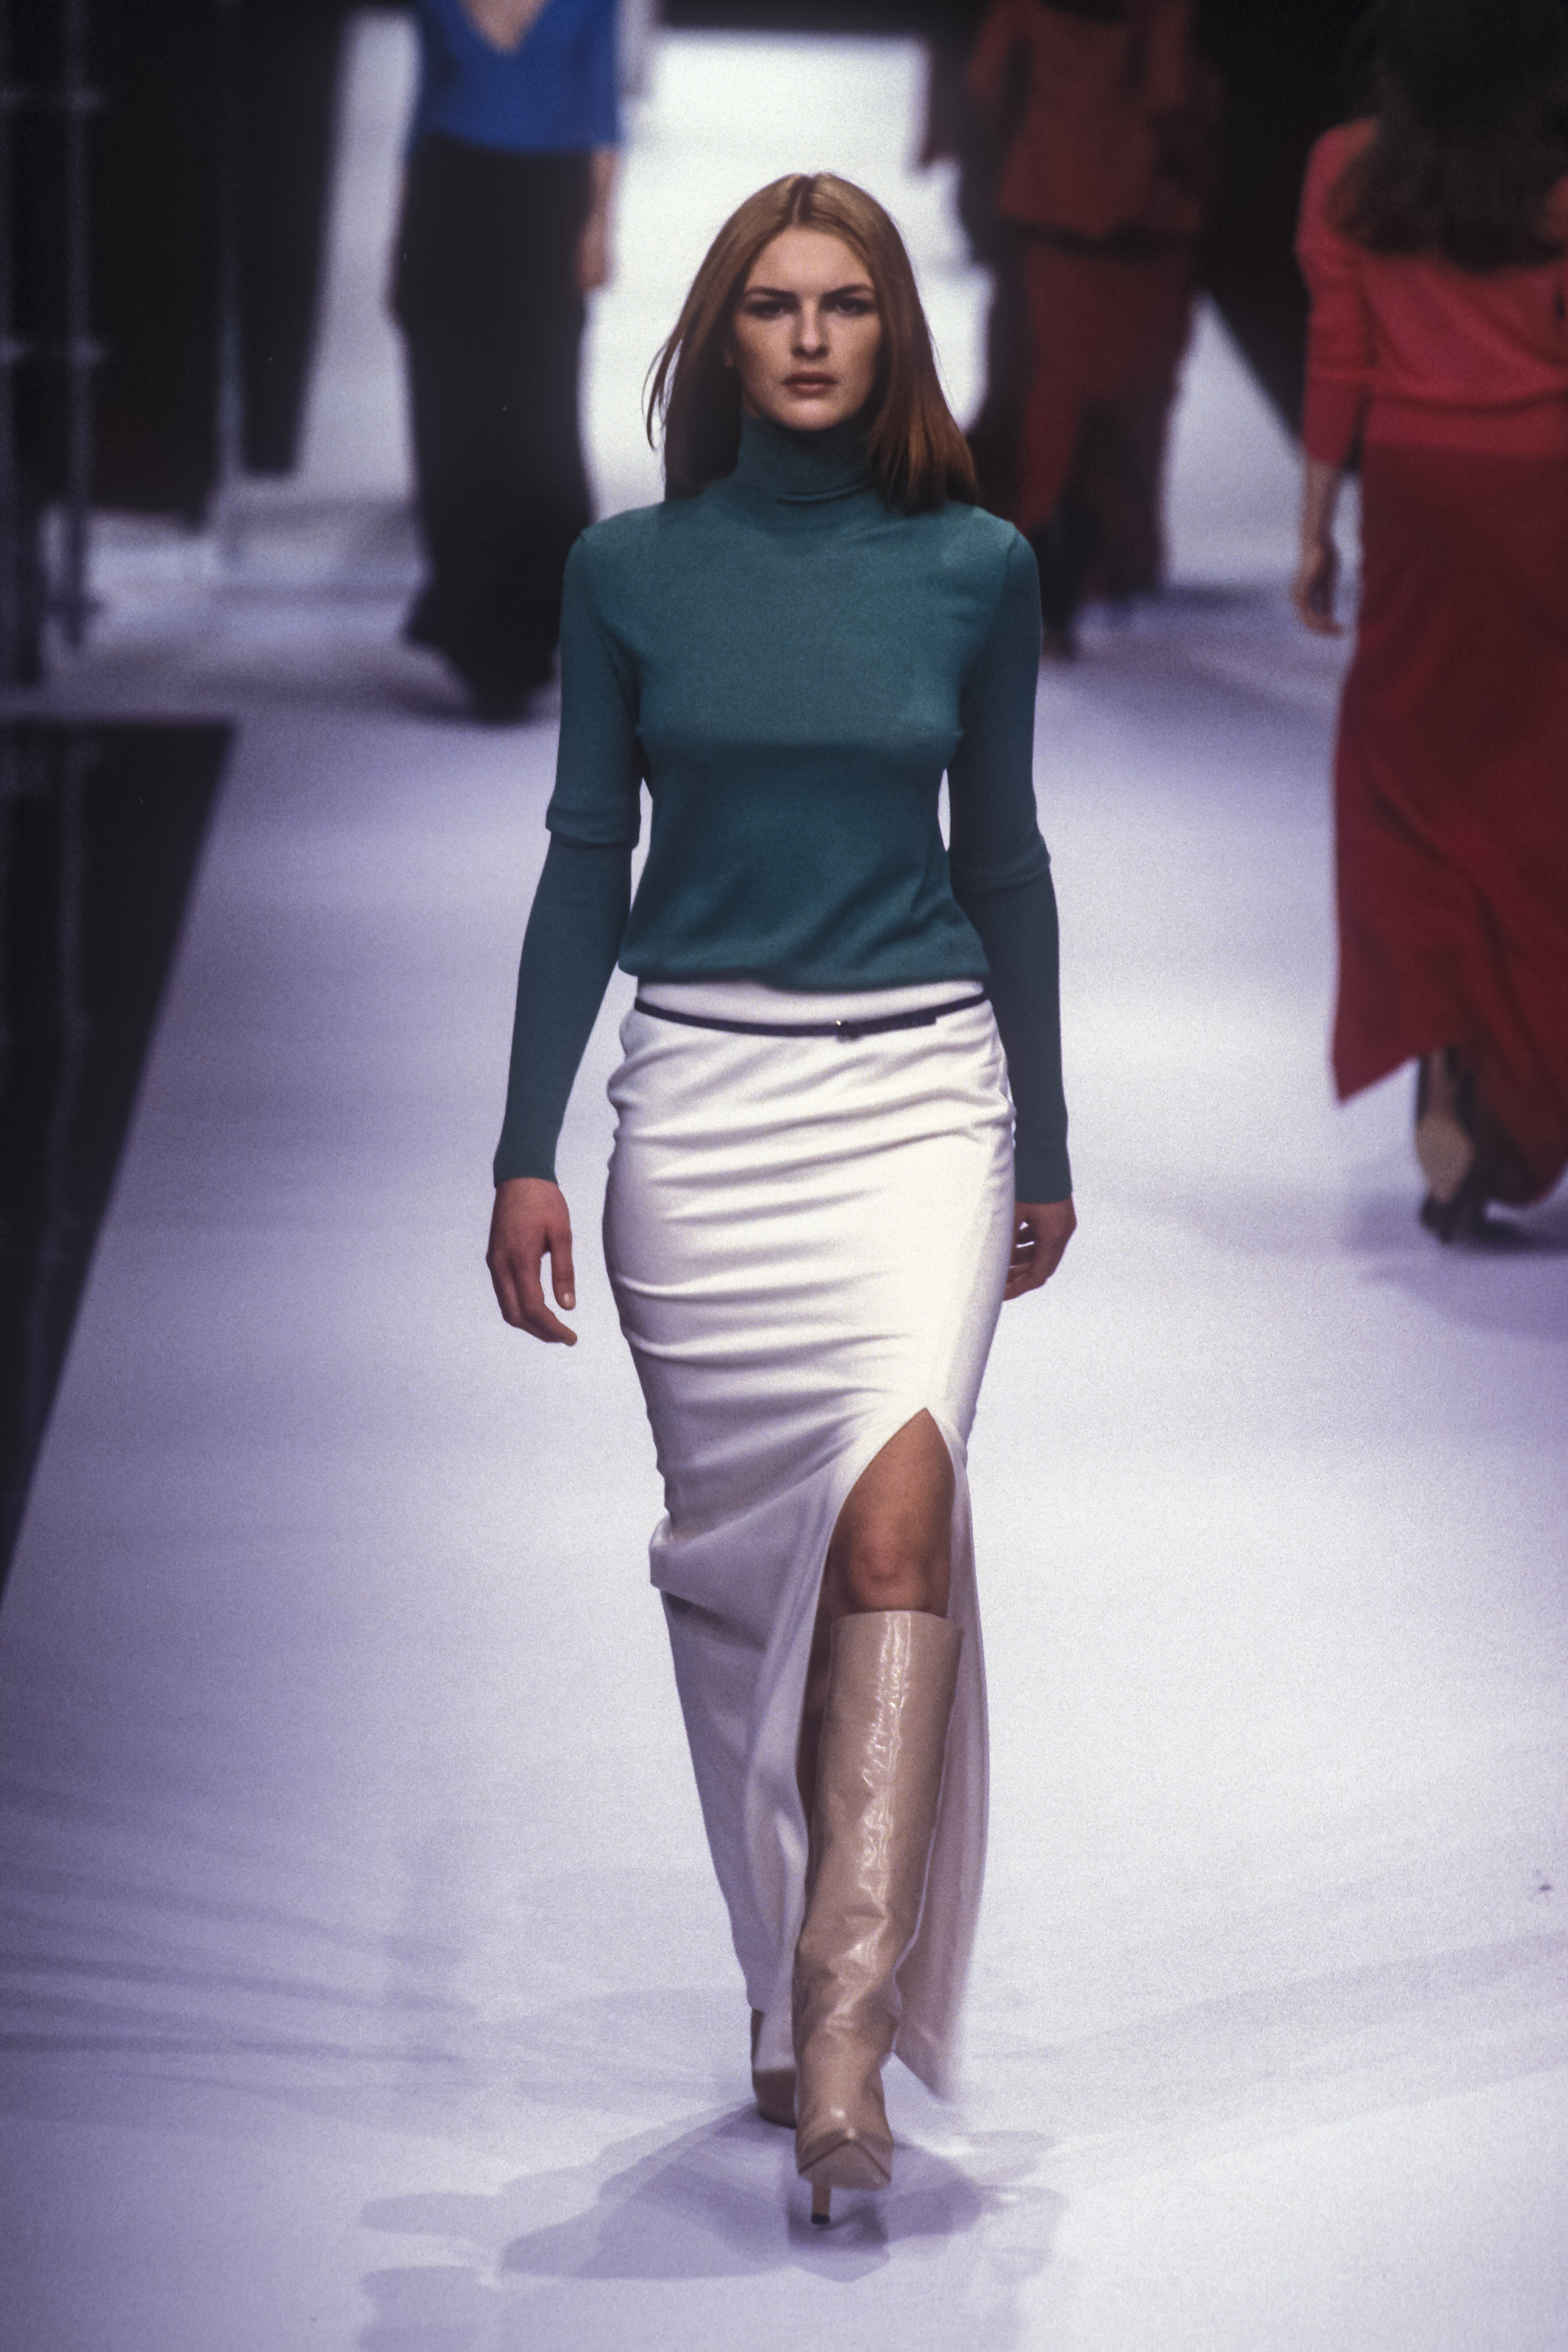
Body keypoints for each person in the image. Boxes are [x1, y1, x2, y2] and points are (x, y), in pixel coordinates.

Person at [485, 174, 1075, 2220]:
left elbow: (1004, 858)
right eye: (770, 303)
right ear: (716, 336)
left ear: (892, 329)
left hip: (919, 1095)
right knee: (742, 1581)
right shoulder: (627, 571)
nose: (810, 336)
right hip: (703, 1106)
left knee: (897, 1518)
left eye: (844, 303)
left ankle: (843, 2035)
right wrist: (524, 1143)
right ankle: (779, 1967)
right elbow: (584, 853)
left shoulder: (975, 566)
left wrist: (1048, 1137)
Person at [1293, 0, 1568, 1240]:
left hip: (1415, 495)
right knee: (1538, 783)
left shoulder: (1349, 170)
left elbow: (1339, 351)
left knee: (1404, 774)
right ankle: (1524, 1072)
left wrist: (1314, 527)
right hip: (1545, 492)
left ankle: (1447, 1038)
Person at [966, 0, 1220, 651]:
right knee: (1137, 396)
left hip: (1050, 203)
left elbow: (986, 84)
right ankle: (1114, 557)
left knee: (1053, 389)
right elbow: (1170, 95)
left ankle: (1038, 545)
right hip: (1149, 214)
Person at [392, 0, 618, 720]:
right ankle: (480, 644)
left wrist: (599, 226)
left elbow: (603, 111)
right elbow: (423, 110)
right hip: (451, 205)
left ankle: (531, 634)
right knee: (455, 423)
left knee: (543, 425)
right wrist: (402, 242)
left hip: (547, 211)